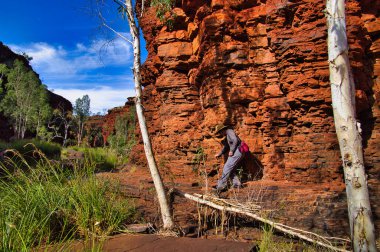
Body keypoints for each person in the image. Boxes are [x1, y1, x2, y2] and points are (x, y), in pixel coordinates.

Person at [212, 124, 245, 196]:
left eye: (220, 132)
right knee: (231, 169)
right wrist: (220, 154)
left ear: (222, 130)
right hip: (238, 152)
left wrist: (232, 150)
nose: (220, 134)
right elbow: (226, 147)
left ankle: (220, 186)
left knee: (227, 167)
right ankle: (237, 184)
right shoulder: (227, 136)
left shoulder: (229, 131)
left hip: (237, 151)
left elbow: (235, 140)